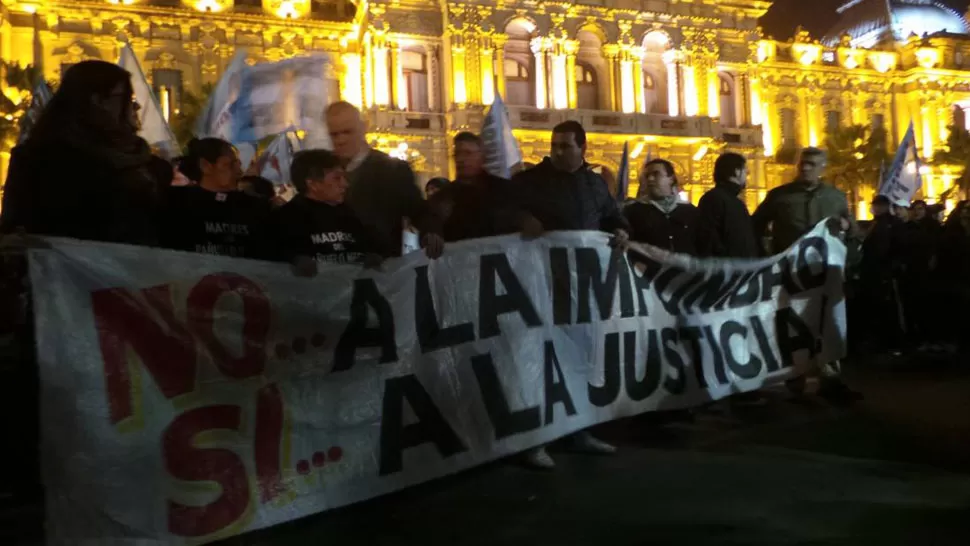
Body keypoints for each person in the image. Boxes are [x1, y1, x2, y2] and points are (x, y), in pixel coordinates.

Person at [511, 120, 630, 470]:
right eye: (555, 144)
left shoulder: (595, 185)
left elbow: (612, 216)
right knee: (543, 362)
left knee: (580, 359)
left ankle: (580, 430)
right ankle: (539, 439)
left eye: (566, 146)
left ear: (583, 148)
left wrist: (622, 230)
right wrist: (522, 219)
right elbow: (502, 211)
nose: (558, 151)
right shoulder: (529, 182)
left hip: (585, 289)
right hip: (542, 286)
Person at [1, 60, 158, 245]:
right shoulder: (39, 161)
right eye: (125, 98)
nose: (136, 107)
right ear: (98, 101)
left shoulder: (144, 161)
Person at [750, 147, 862, 404]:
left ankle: (830, 377)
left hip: (825, 274)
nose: (805, 168)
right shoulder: (779, 197)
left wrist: (847, 228)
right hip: (791, 276)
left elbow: (853, 230)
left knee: (828, 324)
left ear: (823, 167)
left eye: (812, 164)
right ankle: (796, 379)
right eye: (802, 163)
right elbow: (755, 226)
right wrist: (767, 257)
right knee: (793, 327)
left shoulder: (835, 197)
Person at [325, 101, 443, 258]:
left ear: (363, 128)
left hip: (382, 269)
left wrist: (431, 233)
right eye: (334, 134)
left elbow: (419, 211)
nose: (340, 140)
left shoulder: (392, 171)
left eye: (347, 132)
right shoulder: (323, 171)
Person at [160, 138, 271, 259]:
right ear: (205, 166)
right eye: (228, 164)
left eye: (238, 164)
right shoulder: (175, 204)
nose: (238, 171)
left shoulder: (256, 208)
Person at [272, 149, 380, 270]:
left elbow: (372, 246)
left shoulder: (351, 215)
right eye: (337, 178)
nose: (345, 184)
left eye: (344, 177)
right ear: (313, 184)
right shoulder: (284, 220)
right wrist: (295, 261)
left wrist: (373, 256)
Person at [427, 132, 518, 242]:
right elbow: (429, 226)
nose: (461, 159)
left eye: (468, 153)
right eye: (457, 154)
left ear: (482, 156)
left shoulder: (503, 191)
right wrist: (432, 234)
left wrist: (524, 219)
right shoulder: (442, 198)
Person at [860, 194, 907, 355]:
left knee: (889, 308)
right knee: (876, 307)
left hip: (884, 272)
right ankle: (881, 341)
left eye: (879, 206)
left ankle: (894, 342)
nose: (875, 208)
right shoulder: (875, 224)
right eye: (874, 205)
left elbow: (897, 248)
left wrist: (891, 268)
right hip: (873, 272)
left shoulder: (892, 224)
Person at [623, 158, 698, 255]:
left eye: (656, 174)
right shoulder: (632, 211)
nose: (650, 179)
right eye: (647, 176)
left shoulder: (690, 211)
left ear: (671, 179)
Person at [695, 152, 759, 258]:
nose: (746, 175)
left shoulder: (725, 199)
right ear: (737, 172)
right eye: (745, 171)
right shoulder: (717, 199)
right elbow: (709, 240)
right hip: (728, 269)